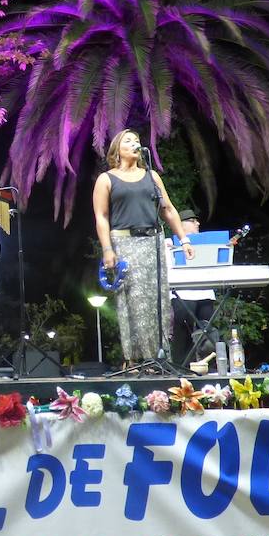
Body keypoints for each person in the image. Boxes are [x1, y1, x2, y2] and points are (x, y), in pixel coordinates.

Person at [92, 130, 194, 368]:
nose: (134, 143)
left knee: (157, 299)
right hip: (124, 243)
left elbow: (167, 209)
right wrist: (107, 249)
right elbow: (102, 216)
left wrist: (184, 240)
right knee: (133, 301)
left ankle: (159, 357)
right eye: (128, 140)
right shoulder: (107, 179)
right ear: (117, 150)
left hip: (153, 242)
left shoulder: (152, 176)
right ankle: (134, 359)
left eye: (136, 140)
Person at [168, 209, 217, 365]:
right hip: (182, 293)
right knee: (183, 331)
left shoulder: (208, 242)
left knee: (207, 332)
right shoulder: (168, 243)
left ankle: (208, 366)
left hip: (205, 292)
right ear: (180, 224)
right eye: (192, 220)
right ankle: (181, 367)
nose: (198, 223)